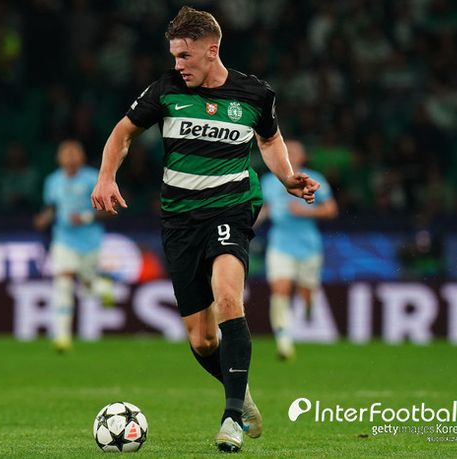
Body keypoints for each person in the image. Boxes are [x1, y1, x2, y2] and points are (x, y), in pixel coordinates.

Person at [91, 6, 319, 453]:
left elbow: (269, 139)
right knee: (202, 337)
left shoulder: (255, 94)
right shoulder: (166, 90)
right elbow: (122, 134)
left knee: (228, 298)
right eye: (174, 56)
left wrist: (286, 177)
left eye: (185, 56)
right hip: (180, 219)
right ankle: (241, 395)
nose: (178, 64)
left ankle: (231, 419)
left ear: (211, 50)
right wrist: (105, 177)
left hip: (231, 207)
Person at [259, 140, 338, 360]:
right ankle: (283, 341)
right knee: (280, 290)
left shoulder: (314, 179)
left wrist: (305, 213)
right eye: (287, 151)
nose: (290, 155)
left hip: (308, 245)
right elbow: (264, 208)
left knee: (306, 293)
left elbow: (331, 209)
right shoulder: (269, 181)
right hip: (280, 243)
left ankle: (309, 306)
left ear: (302, 157)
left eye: (295, 152)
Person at [34, 140, 112, 352]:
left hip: (90, 240)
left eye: (73, 153)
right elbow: (52, 207)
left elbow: (111, 209)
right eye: (65, 154)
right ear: (58, 158)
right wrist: (44, 218)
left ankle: (102, 287)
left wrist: (86, 217)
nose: (69, 158)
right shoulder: (53, 181)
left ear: (82, 157)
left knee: (87, 287)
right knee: (63, 282)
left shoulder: (93, 178)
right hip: (63, 238)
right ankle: (62, 336)